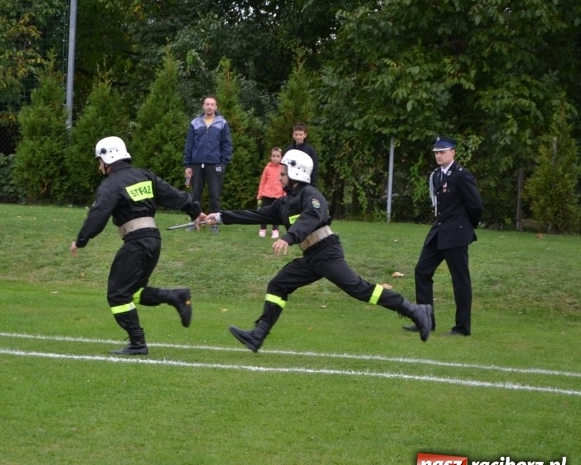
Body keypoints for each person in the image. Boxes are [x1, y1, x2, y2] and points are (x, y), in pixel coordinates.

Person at [198, 150, 433, 352]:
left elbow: (312, 216)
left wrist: (288, 237)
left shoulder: (312, 196)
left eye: (283, 173)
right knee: (278, 285)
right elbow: (255, 215)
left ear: (296, 172)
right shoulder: (284, 203)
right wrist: (219, 217)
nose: (279, 177)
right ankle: (257, 335)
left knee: (359, 289)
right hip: (311, 257)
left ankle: (415, 311)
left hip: (327, 251)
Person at [71, 136, 203, 355]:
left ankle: (137, 343)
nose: (99, 166)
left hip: (136, 242)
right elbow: (172, 195)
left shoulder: (112, 183)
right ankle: (175, 296)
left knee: (117, 294)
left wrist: (81, 240)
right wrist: (195, 211)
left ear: (108, 158)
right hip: (153, 240)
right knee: (134, 291)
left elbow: (99, 213)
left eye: (99, 161)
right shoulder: (145, 175)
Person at [403, 135, 483, 337]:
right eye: (436, 153)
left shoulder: (462, 175)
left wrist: (467, 227)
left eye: (442, 152)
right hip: (438, 232)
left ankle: (462, 327)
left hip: (456, 234)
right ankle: (425, 320)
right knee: (422, 271)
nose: (439, 156)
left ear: (453, 152)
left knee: (460, 280)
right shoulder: (436, 175)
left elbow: (476, 205)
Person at [184, 96, 232, 233]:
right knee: (195, 195)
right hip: (196, 164)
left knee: (214, 196)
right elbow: (189, 145)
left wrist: (223, 163)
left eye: (212, 104)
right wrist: (187, 165)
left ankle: (214, 224)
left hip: (215, 164)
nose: (210, 107)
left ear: (216, 107)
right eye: (207, 104)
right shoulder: (194, 123)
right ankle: (194, 221)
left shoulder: (222, 123)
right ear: (203, 106)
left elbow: (227, 145)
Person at [256, 147, 284, 238]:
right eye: (274, 156)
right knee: (264, 212)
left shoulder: (283, 169)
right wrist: (260, 195)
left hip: (278, 196)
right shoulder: (267, 168)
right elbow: (262, 182)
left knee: (276, 213)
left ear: (281, 158)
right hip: (266, 195)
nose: (275, 158)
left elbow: (285, 183)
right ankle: (262, 229)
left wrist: (284, 195)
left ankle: (275, 230)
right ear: (270, 157)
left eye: (278, 156)